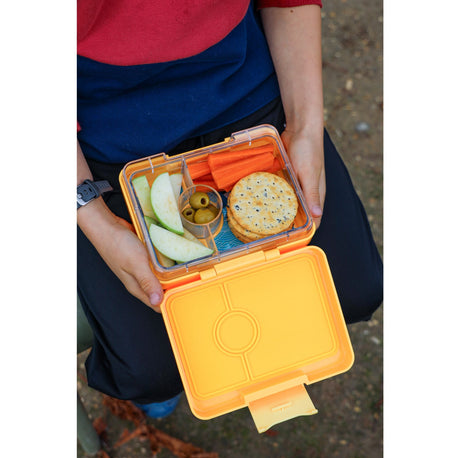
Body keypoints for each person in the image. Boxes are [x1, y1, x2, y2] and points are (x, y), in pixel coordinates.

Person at [77, 0, 383, 416]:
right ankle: (174, 380)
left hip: (239, 82)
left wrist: (306, 128)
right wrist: (94, 216)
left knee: (356, 290)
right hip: (100, 127)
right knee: (152, 368)